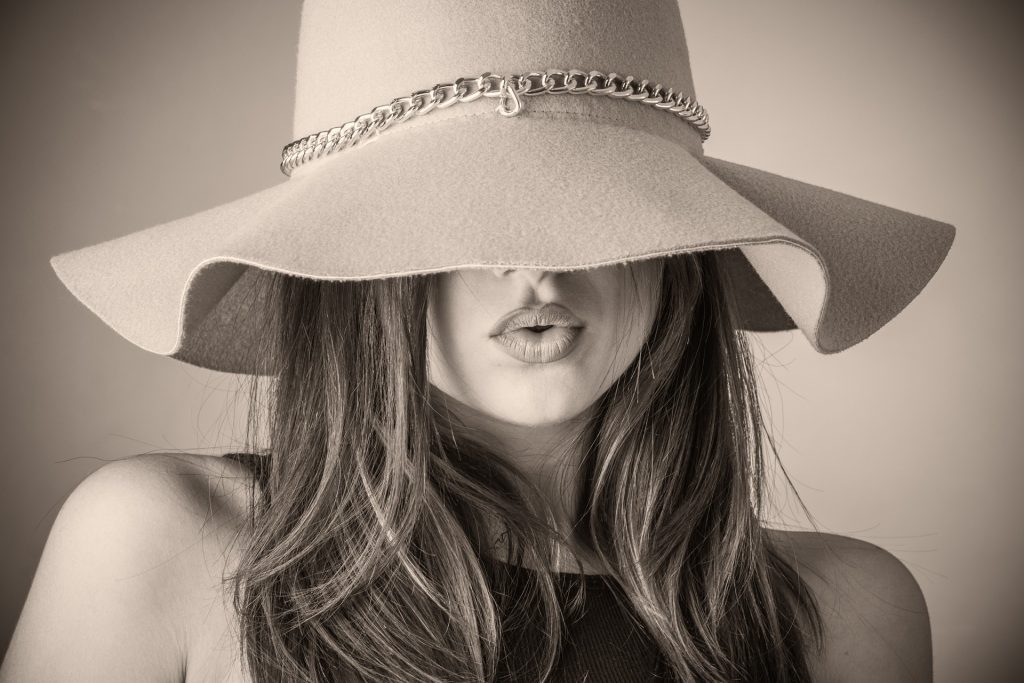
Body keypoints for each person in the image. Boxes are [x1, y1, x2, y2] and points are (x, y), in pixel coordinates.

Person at [2, 0, 954, 681]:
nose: (530, 263)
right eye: (449, 216)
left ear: (681, 252)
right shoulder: (166, 542)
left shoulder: (845, 615)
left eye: (589, 204)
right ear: (352, 267)